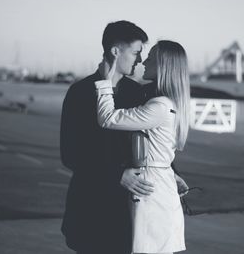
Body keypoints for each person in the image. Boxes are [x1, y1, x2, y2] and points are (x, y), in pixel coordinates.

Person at [60, 21, 188, 254]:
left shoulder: (139, 93)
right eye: (137, 53)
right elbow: (70, 154)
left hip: (131, 208)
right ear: (115, 51)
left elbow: (153, 140)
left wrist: (172, 173)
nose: (140, 60)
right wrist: (116, 175)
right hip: (92, 207)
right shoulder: (79, 93)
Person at [95, 40, 190, 254]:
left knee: (146, 248)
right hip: (161, 181)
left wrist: (105, 81)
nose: (144, 61)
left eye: (151, 57)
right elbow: (159, 147)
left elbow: (108, 119)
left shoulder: (159, 106)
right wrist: (171, 174)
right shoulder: (172, 103)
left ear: (164, 65)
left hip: (151, 189)